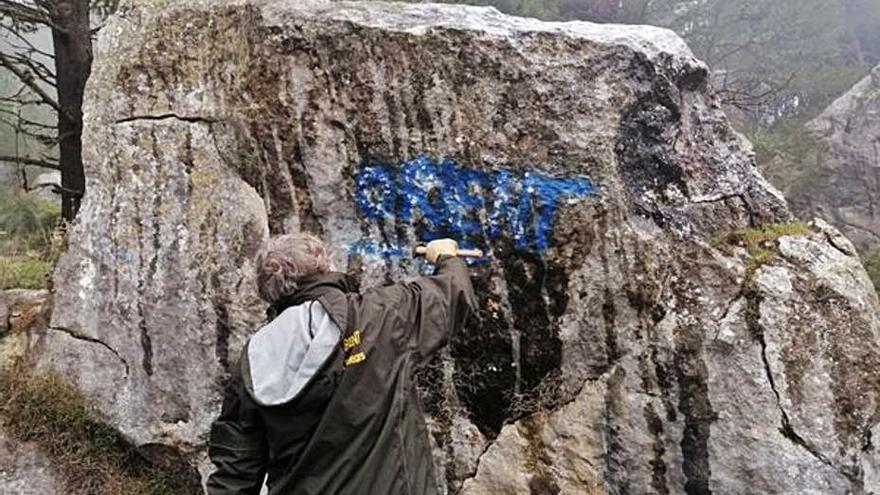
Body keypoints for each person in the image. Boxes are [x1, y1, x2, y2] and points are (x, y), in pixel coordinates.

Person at [206, 233, 477, 495]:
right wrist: (446, 257)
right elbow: (451, 295)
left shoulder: (254, 355)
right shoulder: (378, 315)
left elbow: (236, 469)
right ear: (325, 267)